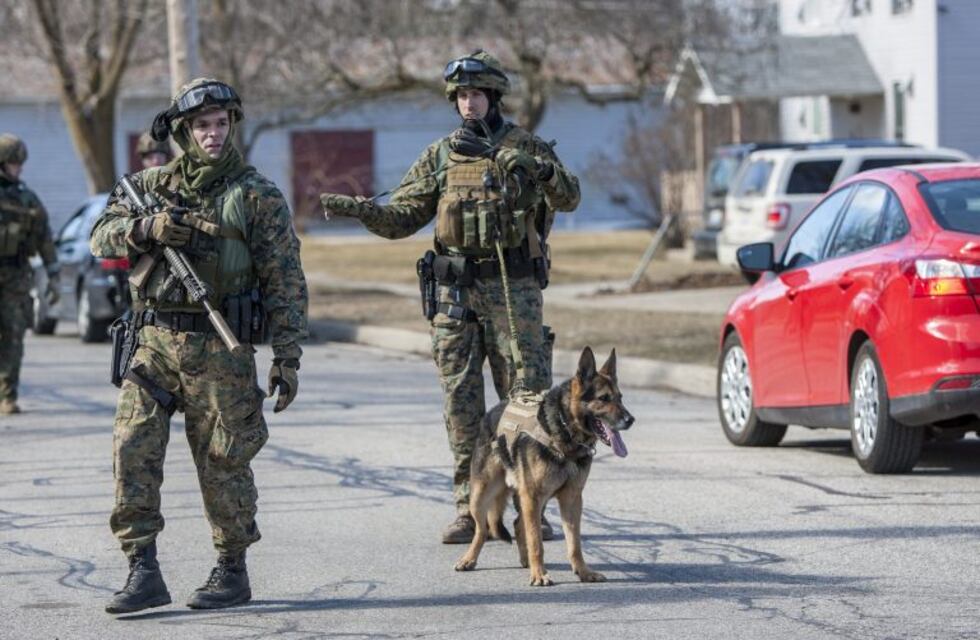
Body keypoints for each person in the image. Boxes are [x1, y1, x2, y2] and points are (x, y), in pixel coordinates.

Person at [321, 50, 580, 544]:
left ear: (495, 97)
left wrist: (537, 171)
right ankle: (470, 507)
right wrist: (363, 212)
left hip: (514, 292)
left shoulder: (525, 146)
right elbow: (403, 216)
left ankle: (534, 506)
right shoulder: (442, 156)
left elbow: (569, 196)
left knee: (524, 401)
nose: (469, 104)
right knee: (462, 405)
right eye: (461, 96)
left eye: (477, 94)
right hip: (456, 293)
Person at [91, 78, 309, 613]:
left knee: (223, 462)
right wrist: (148, 227)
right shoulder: (153, 185)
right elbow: (102, 236)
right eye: (201, 126)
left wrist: (287, 356)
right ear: (185, 132)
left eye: (220, 124)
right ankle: (142, 568)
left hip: (221, 346)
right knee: (132, 448)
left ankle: (231, 569)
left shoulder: (255, 195)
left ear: (232, 125)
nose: (212, 134)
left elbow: (285, 279)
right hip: (153, 343)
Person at [0, 133, 60, 415]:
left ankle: (7, 395)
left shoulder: (27, 199)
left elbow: (44, 238)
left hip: (15, 276)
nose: (19, 168)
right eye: (14, 163)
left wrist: (54, 274)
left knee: (13, 336)